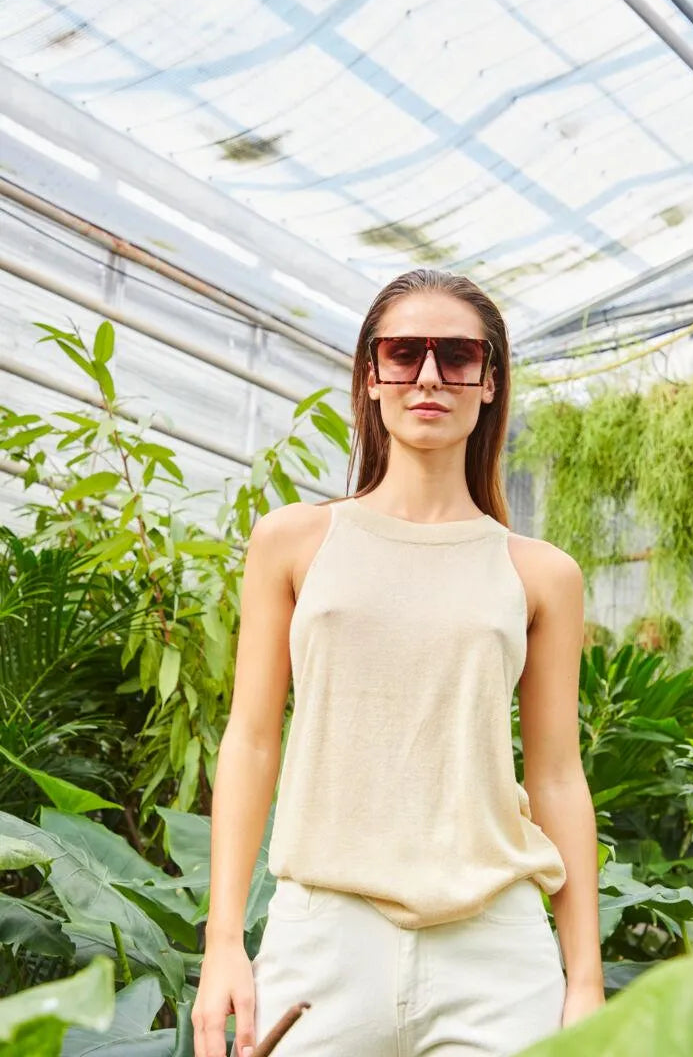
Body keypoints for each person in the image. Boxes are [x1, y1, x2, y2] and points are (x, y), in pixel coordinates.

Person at [191, 268, 605, 1057]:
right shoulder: (293, 541)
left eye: (457, 355)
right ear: (371, 376)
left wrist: (584, 979)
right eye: (404, 352)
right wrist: (223, 945)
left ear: (490, 381)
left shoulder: (541, 574)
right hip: (321, 935)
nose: (429, 376)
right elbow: (250, 740)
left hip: (496, 948)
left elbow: (557, 776)